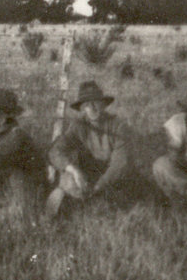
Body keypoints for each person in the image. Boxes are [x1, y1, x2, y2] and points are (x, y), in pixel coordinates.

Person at [45, 81, 136, 220]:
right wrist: (73, 169)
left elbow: (120, 164)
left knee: (120, 207)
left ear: (103, 104)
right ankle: (61, 214)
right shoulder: (78, 126)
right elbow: (55, 151)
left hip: (112, 179)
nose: (92, 108)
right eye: (87, 105)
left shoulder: (118, 126)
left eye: (96, 103)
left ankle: (91, 206)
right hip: (87, 175)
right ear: (82, 109)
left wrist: (99, 187)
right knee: (67, 182)